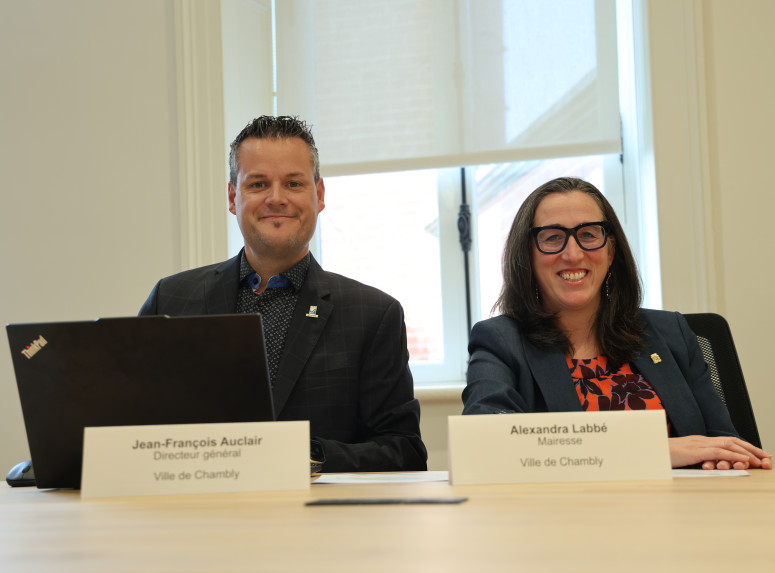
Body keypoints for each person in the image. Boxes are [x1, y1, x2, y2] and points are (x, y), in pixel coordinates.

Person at [140, 115, 427, 472]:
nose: (276, 199)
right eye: (258, 184)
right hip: (195, 515)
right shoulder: (171, 300)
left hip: (319, 522)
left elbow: (404, 452)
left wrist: (308, 455)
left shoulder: (373, 315)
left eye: (293, 184)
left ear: (318, 195)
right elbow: (124, 425)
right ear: (233, 197)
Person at [463, 177, 771, 470]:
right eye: (553, 237)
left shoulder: (670, 332)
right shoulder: (499, 341)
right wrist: (656, 450)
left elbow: (723, 443)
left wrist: (727, 459)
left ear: (611, 251)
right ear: (527, 255)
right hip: (564, 518)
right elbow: (486, 444)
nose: (573, 253)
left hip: (683, 513)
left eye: (588, 234)